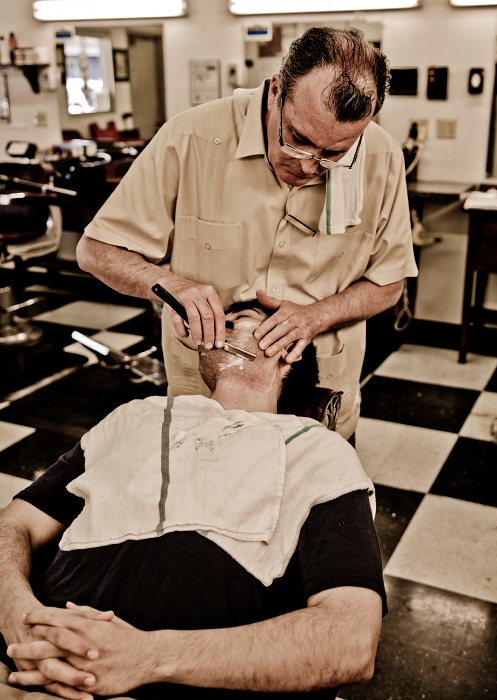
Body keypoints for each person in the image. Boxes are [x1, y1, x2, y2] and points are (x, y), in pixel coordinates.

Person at [0, 300, 386, 700]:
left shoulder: (318, 451)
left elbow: (351, 639)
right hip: (25, 662)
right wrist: (17, 618)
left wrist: (147, 656)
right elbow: (13, 524)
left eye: (238, 322)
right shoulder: (136, 416)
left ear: (288, 350)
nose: (218, 325)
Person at [75, 26, 418, 441]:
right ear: (276, 91)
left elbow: (389, 282)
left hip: (322, 389)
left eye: (334, 153)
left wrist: (317, 316)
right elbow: (96, 250)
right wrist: (169, 284)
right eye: (299, 140)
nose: (310, 166)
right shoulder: (190, 139)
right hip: (201, 400)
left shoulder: (381, 156)